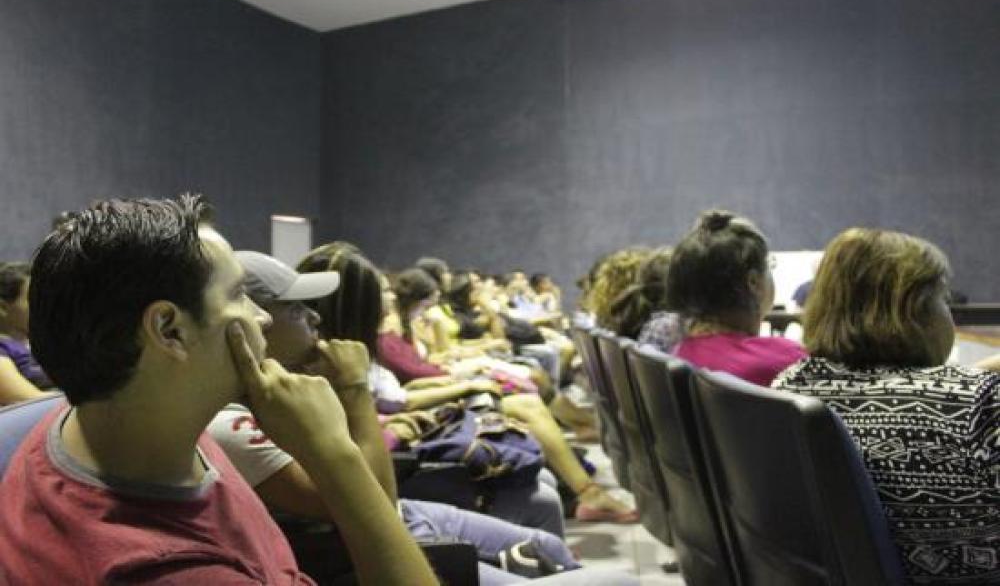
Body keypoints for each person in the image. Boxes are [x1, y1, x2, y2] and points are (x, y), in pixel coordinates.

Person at [0, 195, 437, 585]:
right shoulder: (175, 571)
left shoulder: (124, 421)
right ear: (169, 330)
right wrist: (334, 452)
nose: (262, 317)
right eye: (240, 295)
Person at [211, 251, 637, 586]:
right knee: (611, 573)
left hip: (393, 514)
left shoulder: (292, 384)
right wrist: (356, 392)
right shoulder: (231, 421)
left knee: (546, 540)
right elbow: (378, 502)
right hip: (369, 541)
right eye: (298, 309)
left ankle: (585, 491)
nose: (316, 318)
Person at [300, 245, 639, 524]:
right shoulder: (346, 360)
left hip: (411, 431)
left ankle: (581, 466)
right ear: (359, 304)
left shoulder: (362, 350)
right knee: (529, 418)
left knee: (531, 384)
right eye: (383, 291)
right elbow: (400, 400)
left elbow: (404, 389)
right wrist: (460, 385)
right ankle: (583, 487)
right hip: (404, 455)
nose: (391, 296)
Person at [772, 228, 999, 584]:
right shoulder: (977, 403)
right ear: (916, 311)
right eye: (942, 298)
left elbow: (901, 396)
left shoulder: (790, 386)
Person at [666, 210, 806, 386]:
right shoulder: (787, 361)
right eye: (769, 265)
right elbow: (849, 409)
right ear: (753, 283)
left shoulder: (680, 353)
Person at [0, 262, 51, 404]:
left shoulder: (39, 344)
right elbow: (27, 399)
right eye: (32, 299)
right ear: (3, 308)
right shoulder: (3, 348)